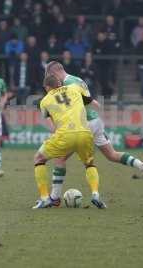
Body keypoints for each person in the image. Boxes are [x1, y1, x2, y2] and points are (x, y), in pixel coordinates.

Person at [44, 61, 143, 206]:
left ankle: (54, 198)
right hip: (95, 121)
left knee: (60, 158)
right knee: (111, 154)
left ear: (54, 73)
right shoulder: (77, 79)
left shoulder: (67, 84)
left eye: (50, 76)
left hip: (84, 123)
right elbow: (89, 100)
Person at [32, 74, 106, 209]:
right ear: (60, 83)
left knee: (39, 158)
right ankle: (95, 194)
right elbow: (89, 100)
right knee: (89, 164)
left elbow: (51, 121)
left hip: (65, 135)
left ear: (46, 87)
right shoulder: (74, 87)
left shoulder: (45, 101)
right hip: (85, 132)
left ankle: (45, 198)